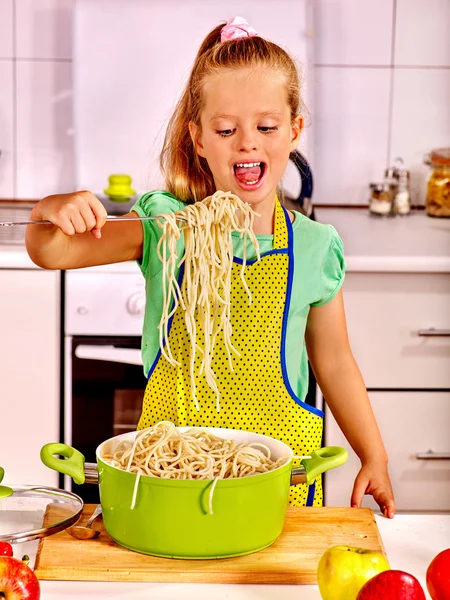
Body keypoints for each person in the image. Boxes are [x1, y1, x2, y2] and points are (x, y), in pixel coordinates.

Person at [26, 17, 395, 516]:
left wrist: (373, 454)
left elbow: (334, 362)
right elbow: (53, 252)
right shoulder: (170, 230)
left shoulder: (314, 247)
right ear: (198, 139)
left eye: (266, 127)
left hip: (275, 493)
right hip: (170, 482)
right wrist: (50, 209)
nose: (247, 142)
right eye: (226, 129)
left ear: (294, 131)